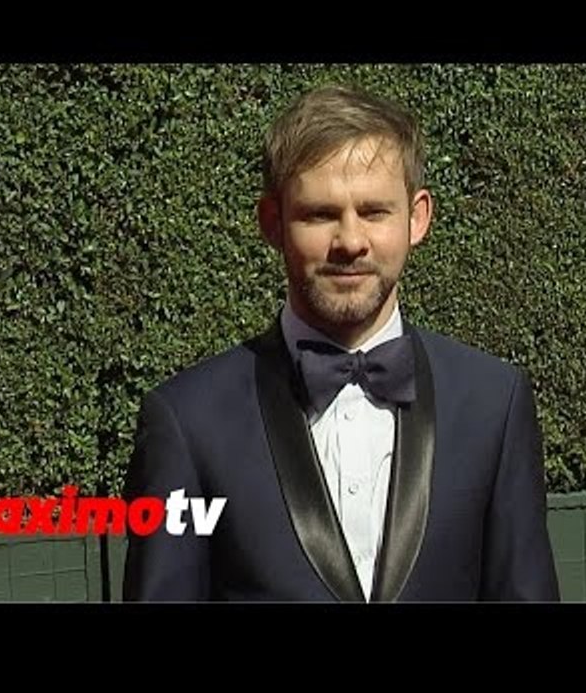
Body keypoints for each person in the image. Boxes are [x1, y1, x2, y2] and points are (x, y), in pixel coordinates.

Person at [122, 84, 560, 602]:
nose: (350, 241)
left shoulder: (494, 403)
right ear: (272, 223)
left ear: (417, 218)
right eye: (320, 214)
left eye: (374, 211)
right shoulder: (187, 421)